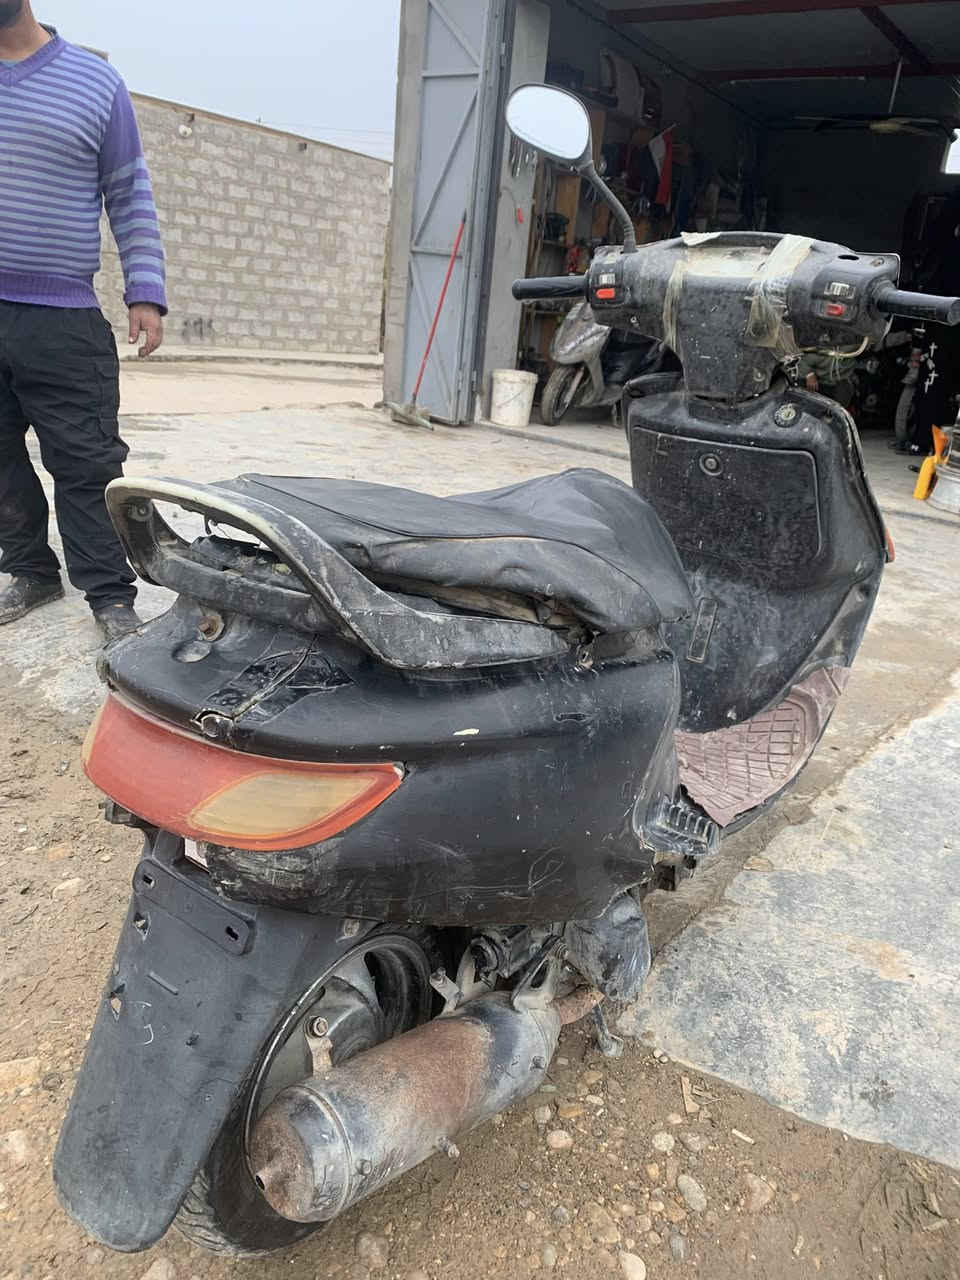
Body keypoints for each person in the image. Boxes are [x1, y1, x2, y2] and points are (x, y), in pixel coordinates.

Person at [0, 3, 166, 640]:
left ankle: (109, 596)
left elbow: (128, 190)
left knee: (85, 461)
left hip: (63, 317)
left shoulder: (95, 82)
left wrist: (144, 289)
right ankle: (31, 571)